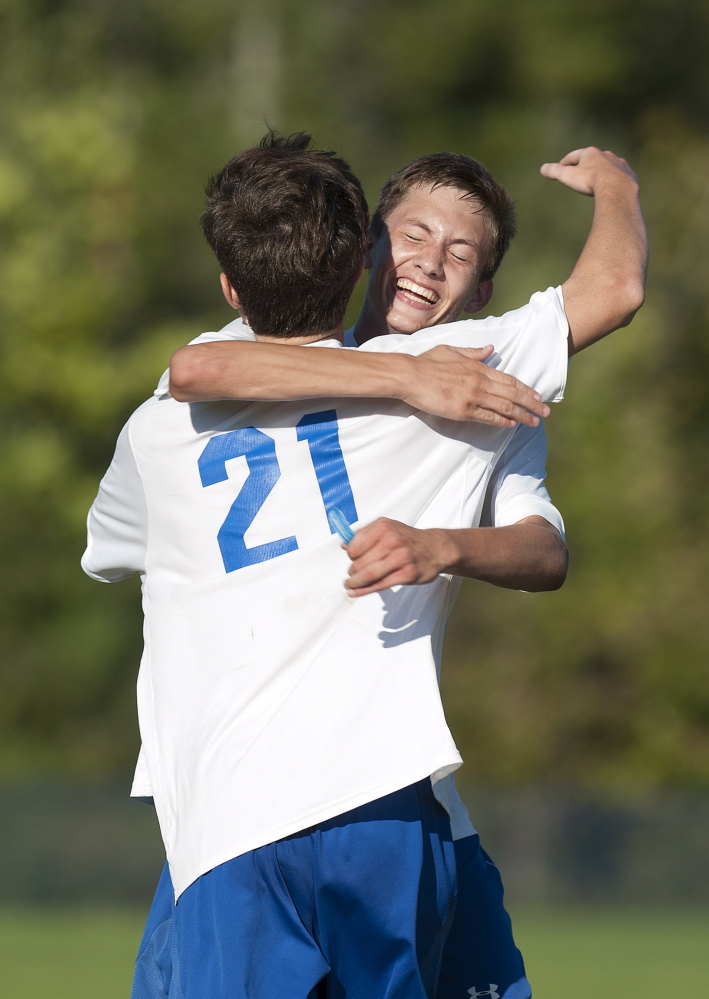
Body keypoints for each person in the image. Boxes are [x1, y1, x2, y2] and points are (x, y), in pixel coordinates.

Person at [82, 133, 645, 999]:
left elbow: (545, 549)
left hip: (351, 791)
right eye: (412, 236)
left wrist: (443, 544)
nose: (429, 262)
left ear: (483, 289)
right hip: (269, 809)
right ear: (364, 253)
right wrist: (408, 380)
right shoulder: (438, 381)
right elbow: (200, 367)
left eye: (460, 252)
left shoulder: (477, 387)